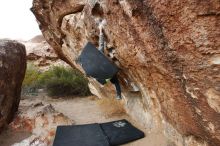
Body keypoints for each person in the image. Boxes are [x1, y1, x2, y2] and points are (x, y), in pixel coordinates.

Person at [96, 20, 122, 100]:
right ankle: (118, 95)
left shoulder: (95, 63)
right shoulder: (99, 53)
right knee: (116, 82)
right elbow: (101, 42)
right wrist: (101, 30)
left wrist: (101, 81)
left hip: (107, 73)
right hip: (109, 70)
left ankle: (118, 95)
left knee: (114, 82)